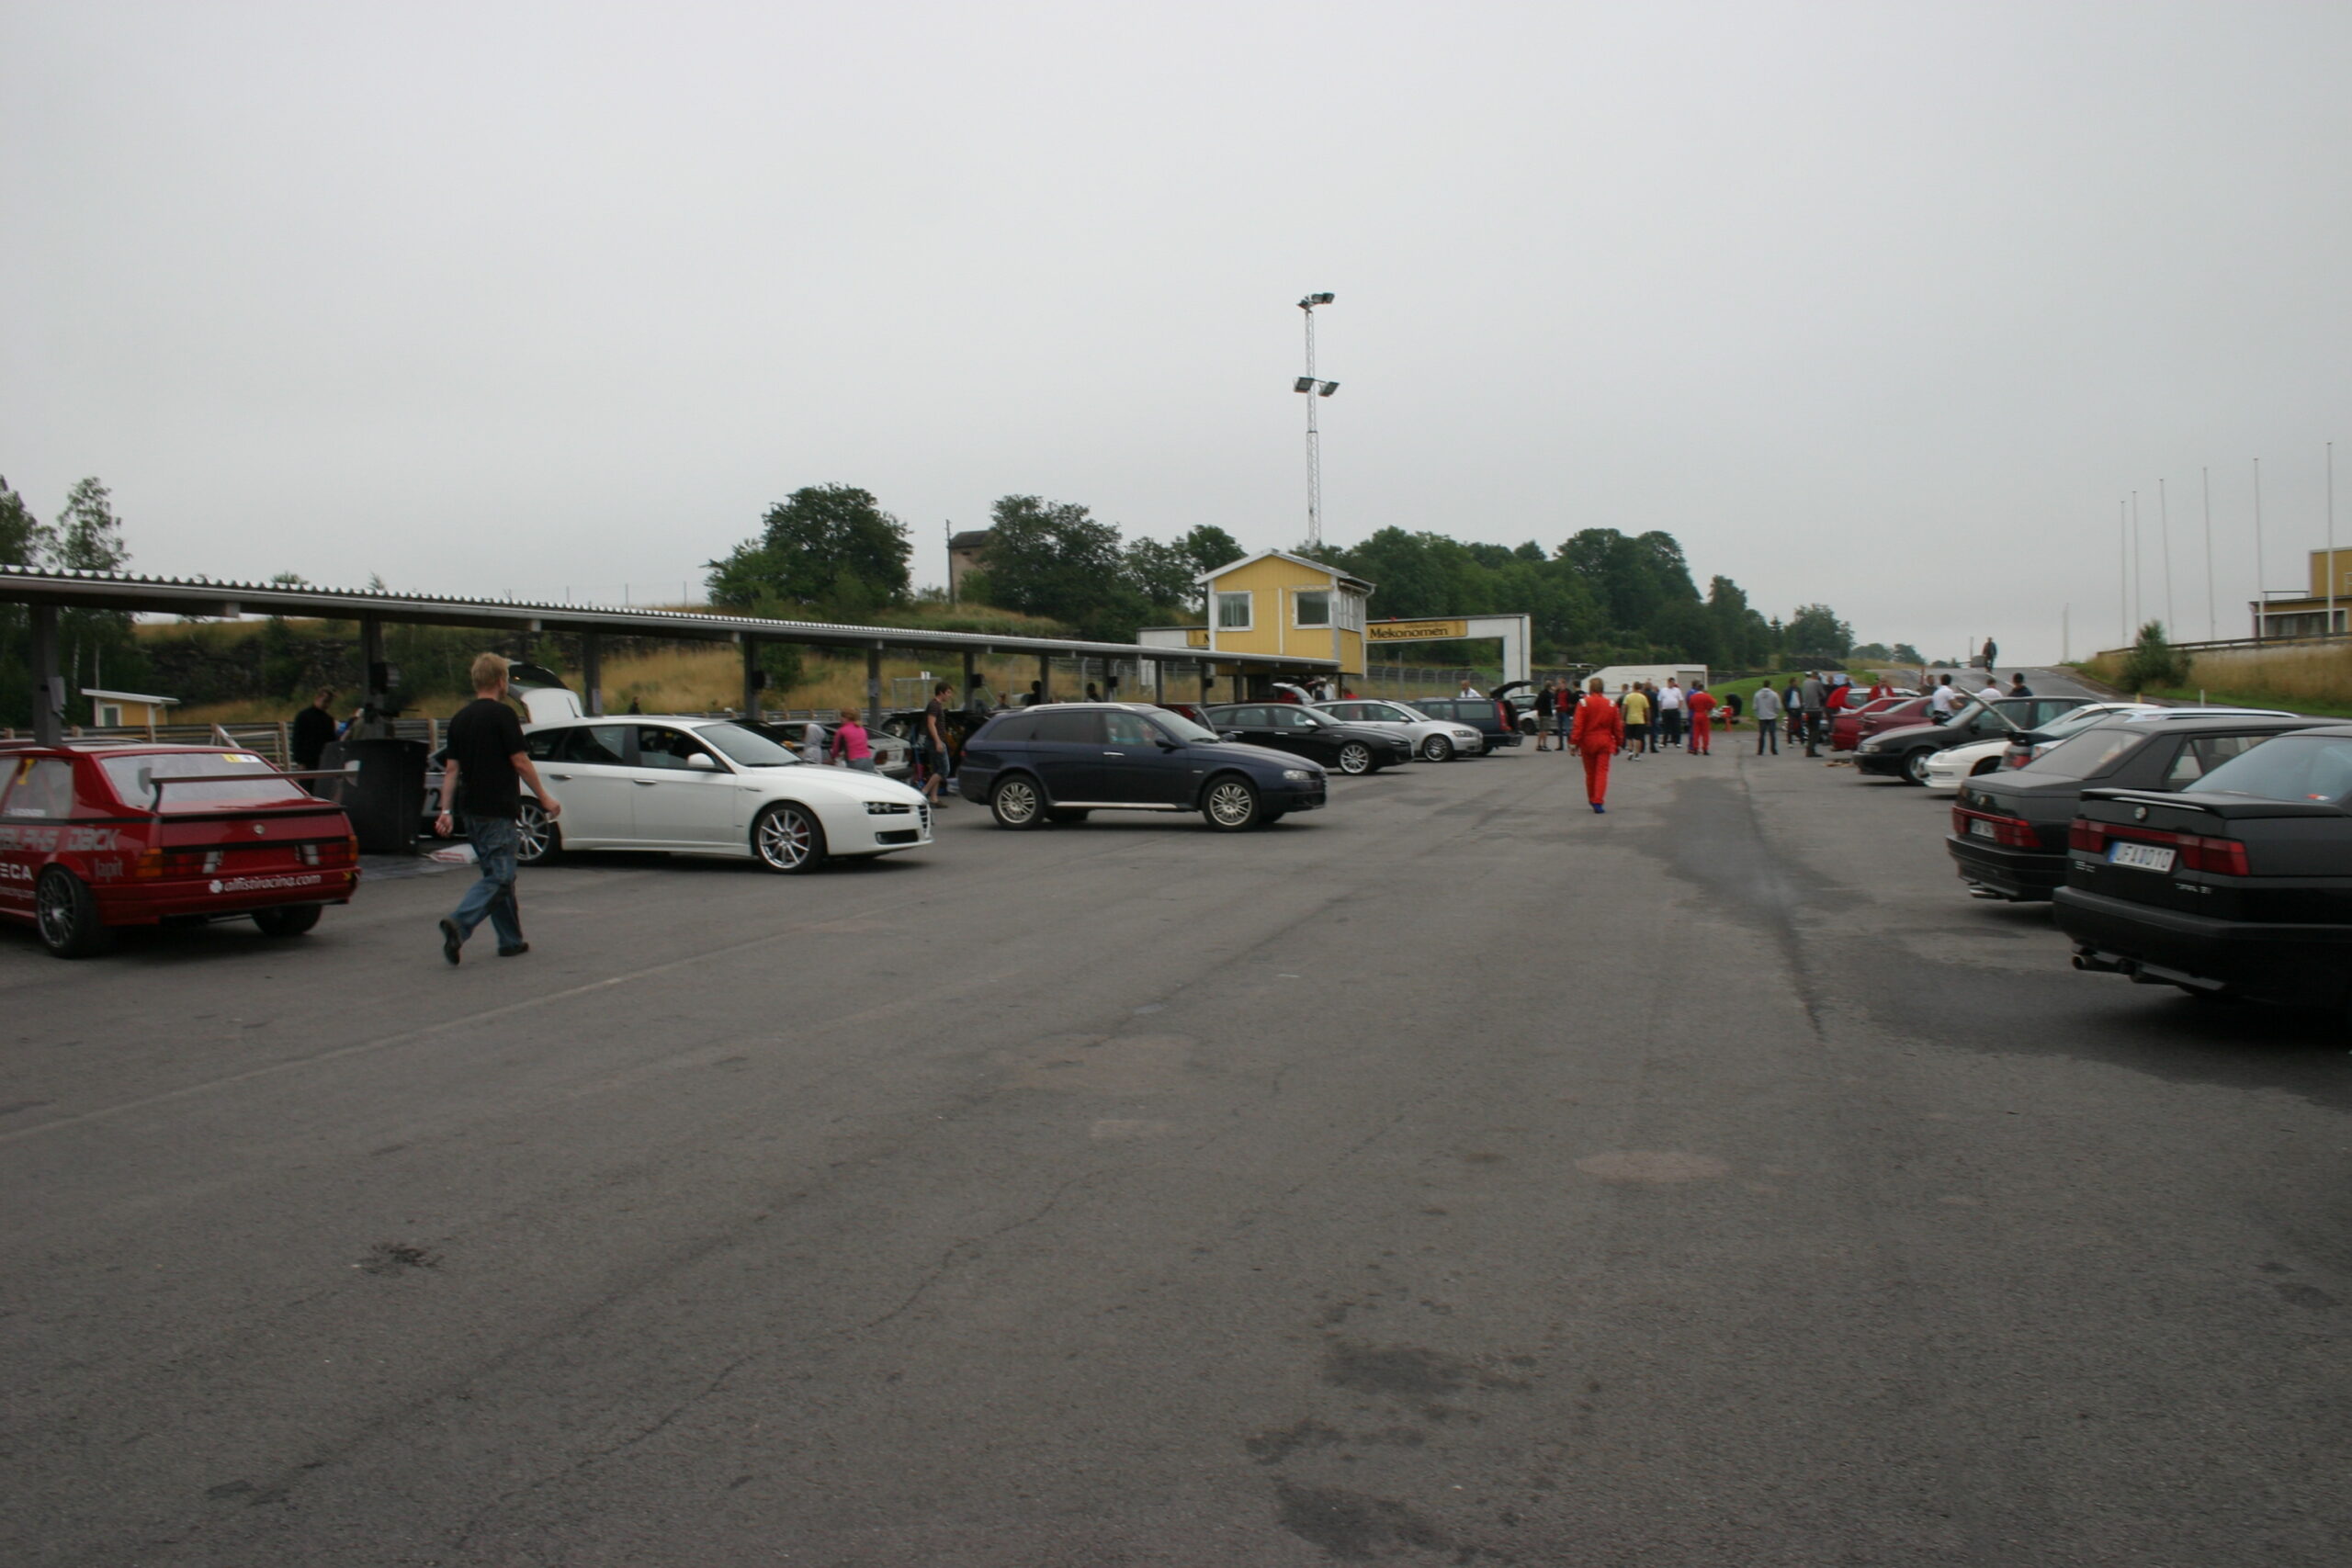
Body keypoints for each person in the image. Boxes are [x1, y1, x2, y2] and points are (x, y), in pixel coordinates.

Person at [434, 654, 560, 964]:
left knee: (497, 875)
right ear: (501, 681)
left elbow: (451, 770)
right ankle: (460, 923)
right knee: (501, 877)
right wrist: (544, 797)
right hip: (498, 809)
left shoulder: (460, 719)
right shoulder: (504, 715)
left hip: (471, 811)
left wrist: (445, 812)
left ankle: (510, 941)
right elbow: (519, 761)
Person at [1568, 677, 1623, 813]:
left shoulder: (1583, 703)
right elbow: (1617, 727)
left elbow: (1578, 726)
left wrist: (1573, 743)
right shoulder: (1611, 704)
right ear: (1603, 689)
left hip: (1587, 742)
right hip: (1605, 742)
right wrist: (1619, 742)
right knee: (1602, 772)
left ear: (1591, 688)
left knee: (1590, 773)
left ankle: (1592, 798)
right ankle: (1598, 801)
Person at [921, 681, 953, 807]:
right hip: (935, 742)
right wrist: (938, 741)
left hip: (934, 741)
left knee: (937, 770)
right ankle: (924, 792)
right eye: (948, 692)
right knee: (944, 770)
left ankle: (934, 798)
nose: (949, 695)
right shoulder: (934, 705)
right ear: (941, 692)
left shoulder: (937, 705)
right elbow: (931, 724)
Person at [290, 688, 337, 773]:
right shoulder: (303, 717)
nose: (327, 704)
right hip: (307, 761)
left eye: (329, 702)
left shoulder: (328, 719)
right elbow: (297, 739)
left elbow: (331, 741)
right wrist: (300, 761)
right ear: (317, 698)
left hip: (323, 760)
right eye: (325, 701)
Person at [829, 708, 877, 772]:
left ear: (847, 718)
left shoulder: (842, 731)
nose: (840, 719)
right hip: (868, 760)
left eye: (842, 717)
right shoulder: (861, 729)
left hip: (854, 761)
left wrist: (832, 758)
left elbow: (836, 749)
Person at [1799, 671, 1829, 757]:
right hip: (1816, 709)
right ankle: (1811, 750)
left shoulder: (1805, 682)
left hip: (1807, 709)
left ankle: (1809, 749)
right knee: (1816, 731)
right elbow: (1823, 694)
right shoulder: (1817, 683)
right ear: (1816, 676)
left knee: (1810, 730)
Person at [1620, 682, 1651, 758]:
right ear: (1640, 688)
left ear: (1633, 687)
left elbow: (1624, 708)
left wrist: (1622, 719)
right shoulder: (1643, 697)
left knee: (1629, 737)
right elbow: (1647, 709)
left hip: (1630, 719)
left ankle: (1630, 751)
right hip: (1640, 720)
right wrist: (1648, 720)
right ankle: (1637, 754)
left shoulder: (1628, 697)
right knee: (1638, 738)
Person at [1686, 682, 1716, 755]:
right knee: (1705, 733)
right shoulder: (1706, 696)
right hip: (1704, 714)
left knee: (1696, 732)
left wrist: (1695, 709)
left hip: (1696, 714)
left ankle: (1695, 748)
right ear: (1702, 689)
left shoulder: (1693, 697)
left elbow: (1690, 706)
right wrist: (1709, 708)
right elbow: (1714, 702)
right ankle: (1705, 749)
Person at [1752, 681, 1781, 754]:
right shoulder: (1774, 694)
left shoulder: (1757, 694)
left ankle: (1760, 750)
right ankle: (1773, 750)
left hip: (1762, 716)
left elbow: (1755, 707)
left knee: (1762, 734)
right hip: (1772, 716)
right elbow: (1778, 706)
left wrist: (1758, 714)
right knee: (1772, 734)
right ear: (1770, 685)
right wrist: (1776, 713)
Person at [1657, 678, 1686, 750]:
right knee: (1666, 727)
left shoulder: (1677, 690)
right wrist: (1660, 708)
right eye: (1671, 682)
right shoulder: (1663, 690)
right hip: (1666, 710)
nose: (1672, 684)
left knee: (1676, 726)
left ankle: (1677, 742)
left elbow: (1680, 699)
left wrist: (1679, 708)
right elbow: (1659, 700)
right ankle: (1664, 742)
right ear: (1668, 682)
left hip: (1675, 710)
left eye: (1673, 682)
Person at [1533, 681, 1556, 751]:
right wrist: (1554, 690)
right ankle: (1544, 745)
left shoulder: (1541, 693)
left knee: (1541, 730)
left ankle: (1539, 745)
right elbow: (1554, 698)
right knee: (1545, 730)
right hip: (1547, 713)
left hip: (1541, 713)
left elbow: (1536, 703)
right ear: (1550, 687)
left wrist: (1539, 710)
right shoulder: (1549, 694)